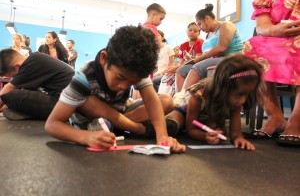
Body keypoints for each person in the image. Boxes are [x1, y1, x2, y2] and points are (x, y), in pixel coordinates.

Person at [45, 26, 186, 153]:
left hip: (121, 112)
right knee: (89, 104)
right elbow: (52, 124)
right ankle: (131, 128)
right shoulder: (84, 76)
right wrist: (85, 137)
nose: (123, 86)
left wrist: (162, 136)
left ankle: (118, 126)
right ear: (104, 58)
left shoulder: (135, 69)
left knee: (166, 101)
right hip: (91, 119)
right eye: (119, 77)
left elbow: (151, 99)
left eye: (133, 82)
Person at [167, 54, 263, 150]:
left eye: (247, 94)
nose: (243, 100)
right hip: (183, 108)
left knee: (215, 128)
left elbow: (235, 133)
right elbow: (191, 129)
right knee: (177, 120)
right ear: (223, 88)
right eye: (240, 94)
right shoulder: (198, 96)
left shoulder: (235, 100)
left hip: (203, 116)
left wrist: (238, 138)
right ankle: (162, 124)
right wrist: (204, 136)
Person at [243, 0, 300, 146]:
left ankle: (297, 119)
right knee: (251, 47)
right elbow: (262, 26)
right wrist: (276, 29)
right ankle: (275, 116)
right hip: (277, 36)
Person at [176, 4, 243, 92]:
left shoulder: (226, 25)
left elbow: (221, 48)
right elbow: (207, 54)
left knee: (197, 68)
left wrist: (200, 58)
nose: (199, 27)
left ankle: (182, 100)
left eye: (199, 24)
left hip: (231, 59)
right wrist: (194, 59)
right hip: (213, 61)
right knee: (181, 70)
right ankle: (179, 100)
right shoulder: (208, 35)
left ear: (207, 18)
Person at [0, 48, 74, 120]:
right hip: (66, 103)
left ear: (17, 66)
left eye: (14, 76)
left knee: (12, 94)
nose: (14, 78)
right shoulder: (35, 59)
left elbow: (9, 88)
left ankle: (30, 113)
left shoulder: (30, 64)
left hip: (65, 106)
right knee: (14, 96)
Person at [158, 22, 203, 96]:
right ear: (186, 31)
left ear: (199, 33)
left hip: (195, 65)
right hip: (184, 65)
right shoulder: (182, 45)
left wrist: (176, 68)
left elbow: (197, 59)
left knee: (178, 71)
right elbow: (181, 62)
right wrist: (172, 68)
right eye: (190, 30)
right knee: (166, 75)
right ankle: (164, 97)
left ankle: (179, 97)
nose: (192, 32)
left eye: (195, 31)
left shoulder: (200, 42)